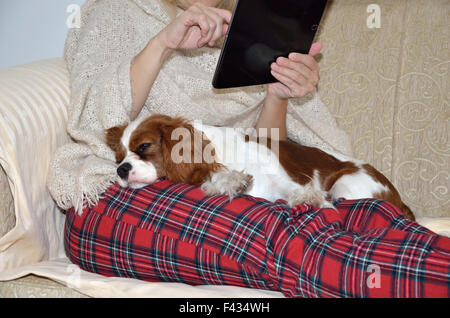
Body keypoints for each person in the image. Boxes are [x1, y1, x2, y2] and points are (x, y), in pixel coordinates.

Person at [49, 0, 450, 297]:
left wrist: (277, 95)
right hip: (119, 198)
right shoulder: (116, 11)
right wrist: (162, 45)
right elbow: (90, 121)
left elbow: (268, 152)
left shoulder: (257, 25)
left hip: (239, 194)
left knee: (360, 213)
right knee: (285, 234)